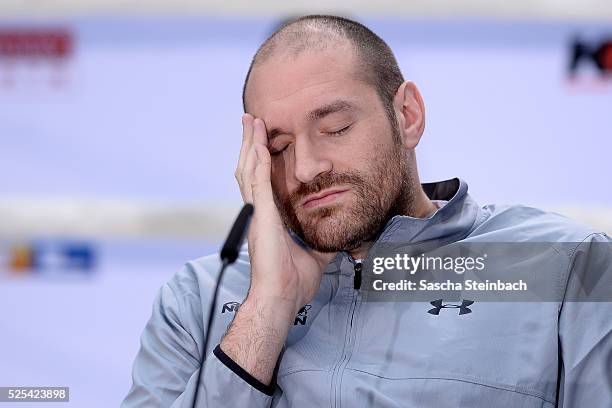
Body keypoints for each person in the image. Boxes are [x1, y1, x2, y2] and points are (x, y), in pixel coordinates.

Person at [121, 15, 612, 407]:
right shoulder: (196, 298)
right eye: (279, 146)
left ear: (407, 116)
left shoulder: (568, 268)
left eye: (335, 128)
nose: (306, 168)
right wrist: (268, 308)